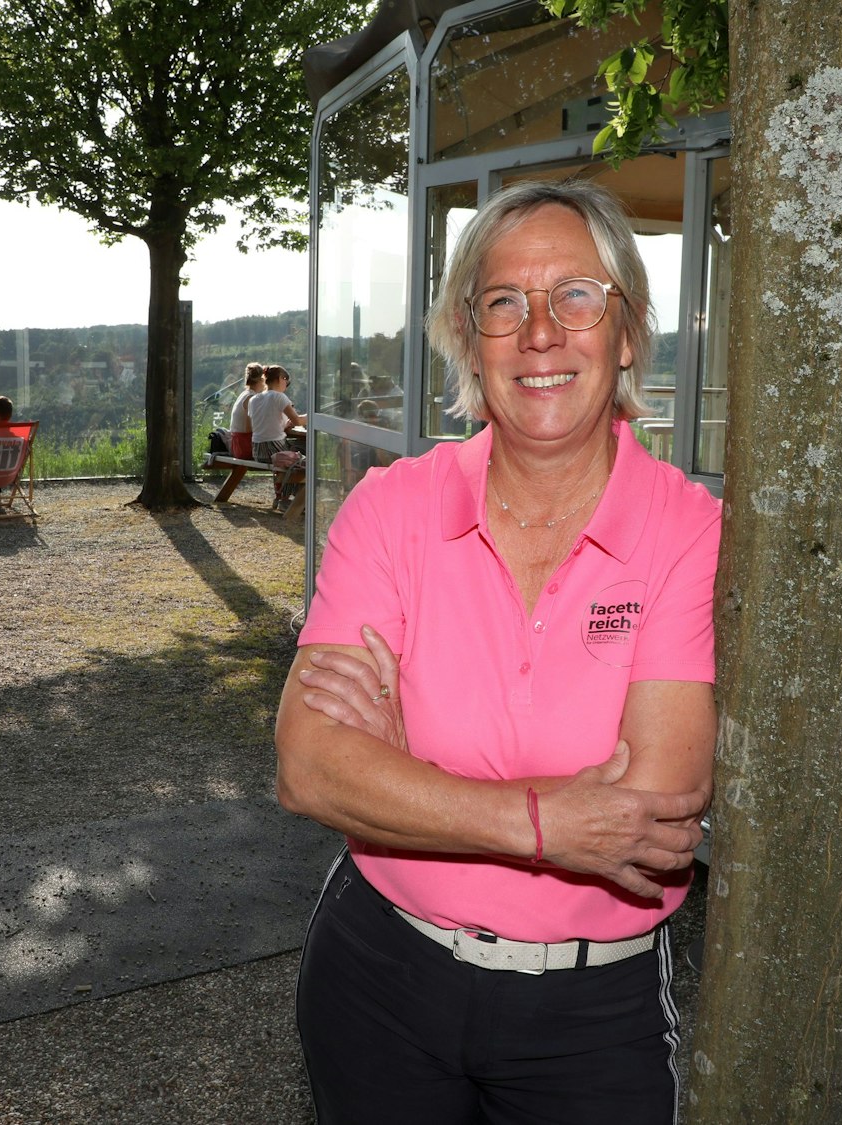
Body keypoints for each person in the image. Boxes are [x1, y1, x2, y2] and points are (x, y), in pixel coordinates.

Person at [275, 179, 720, 1124]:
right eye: (503, 303)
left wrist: (405, 771)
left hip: (592, 1014)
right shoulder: (392, 508)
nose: (541, 332)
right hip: (378, 972)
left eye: (577, 297)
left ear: (628, 332)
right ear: (469, 341)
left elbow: (652, 811)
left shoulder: (691, 532)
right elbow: (310, 769)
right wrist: (549, 820)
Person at [249, 364, 308, 509]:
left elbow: (263, 423)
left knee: (294, 450)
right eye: (286, 382)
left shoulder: (254, 399)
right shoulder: (279, 397)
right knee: (302, 458)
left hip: (257, 450)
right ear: (281, 378)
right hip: (273, 448)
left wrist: (282, 425)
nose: (286, 386)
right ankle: (286, 499)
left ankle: (282, 496)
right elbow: (298, 421)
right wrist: (312, 415)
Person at [228, 363, 265, 460]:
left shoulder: (245, 394)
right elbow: (250, 428)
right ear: (262, 379)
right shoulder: (252, 398)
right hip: (244, 445)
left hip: (237, 444)